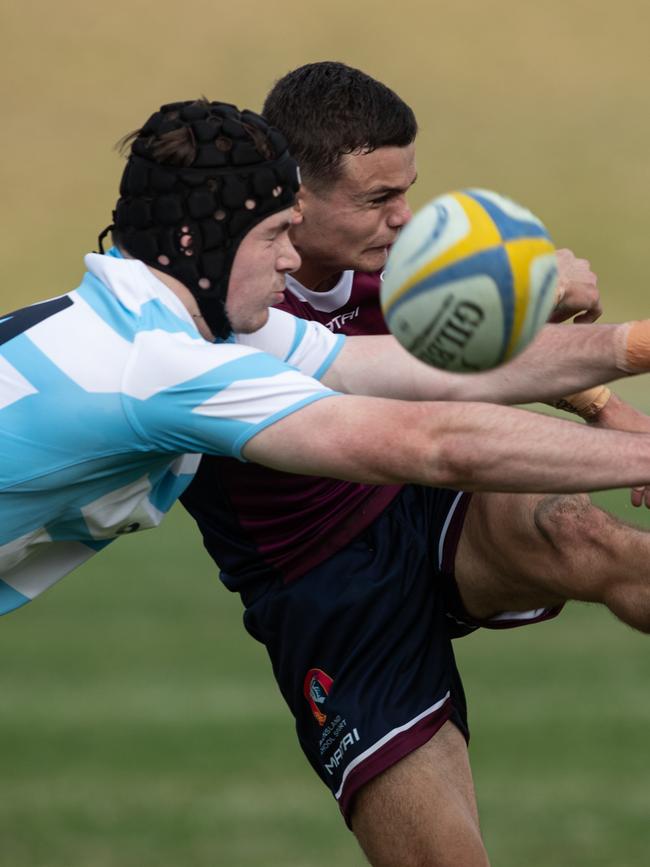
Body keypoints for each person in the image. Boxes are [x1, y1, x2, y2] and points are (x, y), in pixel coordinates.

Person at [180, 67, 650, 866]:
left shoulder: (407, 260)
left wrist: (593, 388)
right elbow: (425, 390)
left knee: (585, 535)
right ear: (294, 197)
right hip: (324, 589)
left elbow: (474, 346)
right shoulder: (223, 305)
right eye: (376, 200)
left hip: (428, 502)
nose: (404, 219)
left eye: (407, 191)